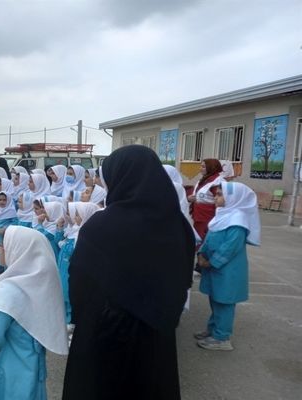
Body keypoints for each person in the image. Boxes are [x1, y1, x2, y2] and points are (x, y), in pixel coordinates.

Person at [63, 145, 195, 400]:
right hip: (156, 335)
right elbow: (183, 280)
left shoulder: (101, 225)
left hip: (104, 331)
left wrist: (81, 319)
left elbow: (79, 282)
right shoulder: (179, 226)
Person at [0, 226, 69, 400]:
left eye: (2, 245)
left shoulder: (9, 290)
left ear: (17, 250)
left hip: (7, 369)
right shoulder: (40, 284)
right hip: (33, 366)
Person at [196, 181, 260, 351]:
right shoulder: (222, 214)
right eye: (216, 194)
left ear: (234, 197)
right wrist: (201, 253)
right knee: (215, 299)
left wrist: (211, 262)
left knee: (224, 302)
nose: (215, 197)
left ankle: (222, 338)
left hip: (227, 270)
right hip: (214, 268)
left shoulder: (238, 219)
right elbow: (209, 238)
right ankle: (213, 330)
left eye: (219, 194)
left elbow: (231, 247)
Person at [188, 158, 223, 241]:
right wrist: (190, 198)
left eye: (203, 167)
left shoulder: (217, 182)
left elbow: (220, 201)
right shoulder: (205, 179)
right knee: (198, 238)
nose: (200, 169)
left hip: (208, 217)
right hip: (199, 216)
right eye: (201, 166)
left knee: (204, 240)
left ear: (211, 167)